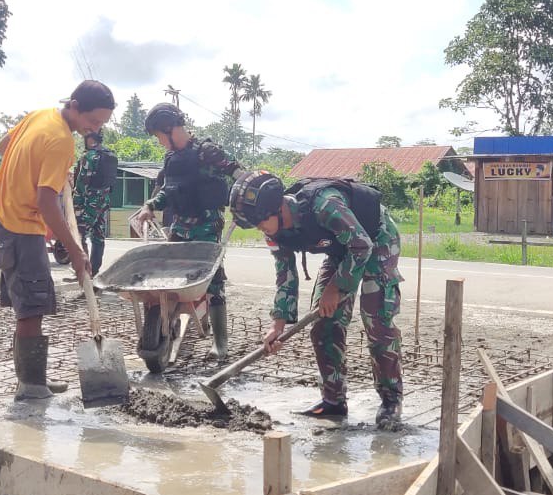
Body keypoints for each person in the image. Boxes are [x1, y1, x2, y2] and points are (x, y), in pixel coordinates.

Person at [229, 171, 404, 428]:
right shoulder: (274, 232)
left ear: (277, 209)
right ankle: (333, 401)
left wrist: (336, 288)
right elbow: (285, 275)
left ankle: (391, 400)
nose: (260, 228)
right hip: (342, 248)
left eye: (260, 222)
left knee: (377, 321)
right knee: (323, 324)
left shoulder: (324, 205)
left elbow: (361, 246)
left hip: (375, 240)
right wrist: (278, 324)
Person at [0, 80, 115, 400]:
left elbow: (3, 147)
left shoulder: (40, 115)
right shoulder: (61, 141)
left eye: (101, 124)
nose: (95, 128)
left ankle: (34, 378)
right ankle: (30, 386)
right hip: (19, 225)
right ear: (75, 106)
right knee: (32, 307)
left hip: (2, 219)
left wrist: (51, 171)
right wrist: (75, 251)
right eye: (93, 120)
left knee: (30, 305)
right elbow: (46, 203)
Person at [133, 103, 241, 360]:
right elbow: (169, 190)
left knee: (213, 281)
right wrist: (150, 206)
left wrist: (247, 201)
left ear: (169, 129)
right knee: (167, 275)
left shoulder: (208, 152)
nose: (160, 142)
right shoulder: (171, 158)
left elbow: (240, 175)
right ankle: (165, 323)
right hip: (180, 226)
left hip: (207, 227)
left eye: (159, 136)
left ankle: (220, 343)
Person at [73, 130, 117, 273]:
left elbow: (82, 184)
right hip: (103, 201)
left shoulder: (89, 156)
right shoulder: (110, 155)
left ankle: (84, 272)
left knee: (79, 234)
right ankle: (95, 270)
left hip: (89, 202)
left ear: (89, 138)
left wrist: (75, 204)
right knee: (98, 236)